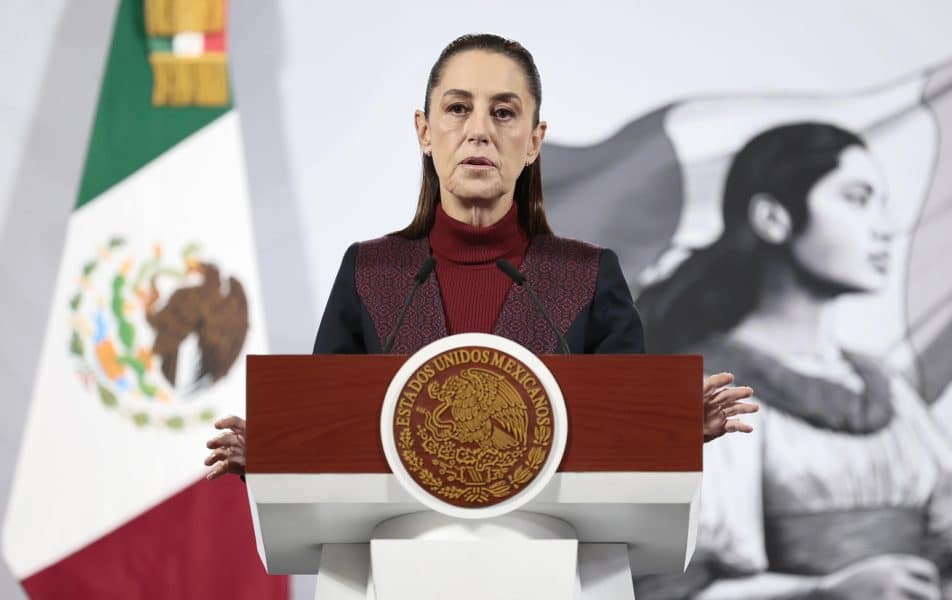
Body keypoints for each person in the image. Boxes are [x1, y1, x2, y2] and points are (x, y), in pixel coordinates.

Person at [203, 33, 758, 481]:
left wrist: (675, 428)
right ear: (424, 131)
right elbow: (332, 429)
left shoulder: (588, 277)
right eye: (458, 109)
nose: (479, 131)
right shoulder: (371, 274)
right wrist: (279, 455)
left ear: (535, 141)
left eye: (504, 113)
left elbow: (624, 430)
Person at [633, 123, 952, 599]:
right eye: (857, 198)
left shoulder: (883, 388)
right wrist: (823, 591)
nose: (885, 228)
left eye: (882, 203)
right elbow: (669, 588)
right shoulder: (707, 392)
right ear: (773, 218)